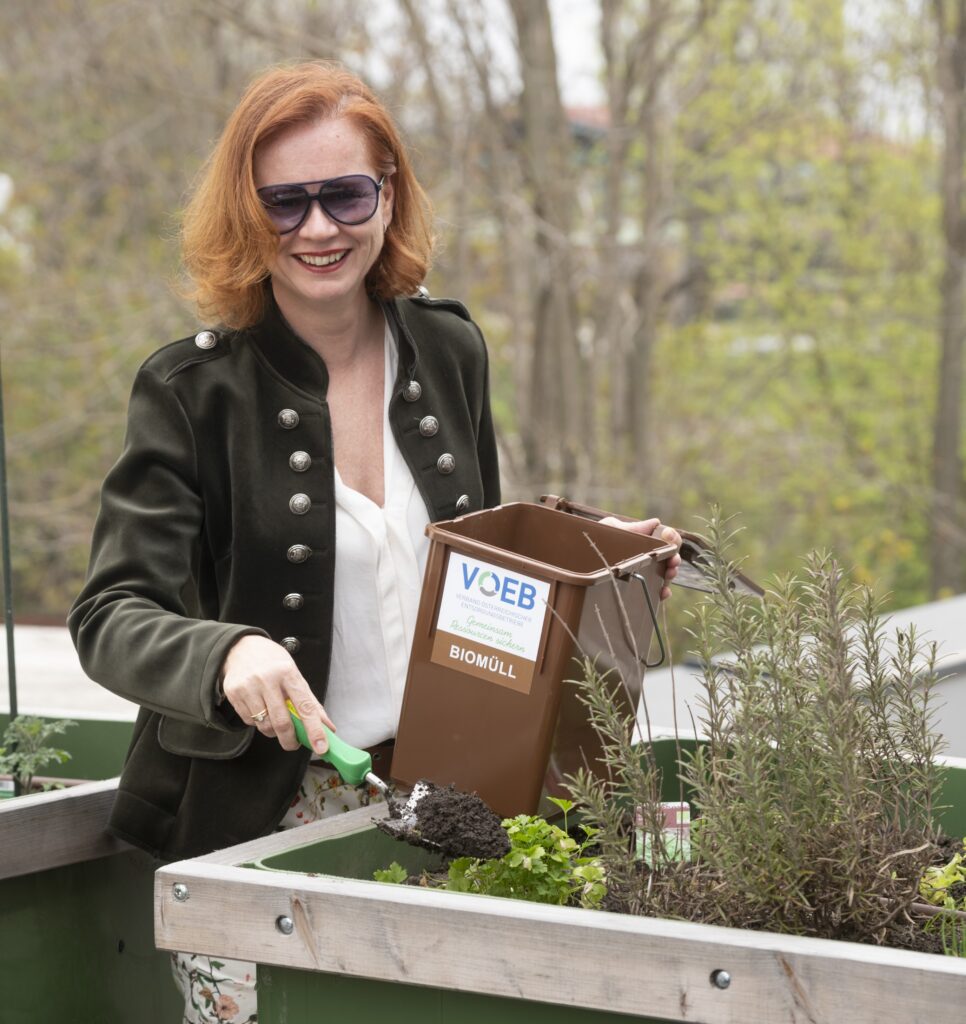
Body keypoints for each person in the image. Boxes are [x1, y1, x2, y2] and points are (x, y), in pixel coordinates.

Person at [68, 60, 681, 1023]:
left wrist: (586, 553)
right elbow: (108, 617)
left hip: (447, 803)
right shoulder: (190, 393)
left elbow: (469, 550)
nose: (319, 229)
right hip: (259, 826)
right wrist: (223, 650)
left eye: (346, 193)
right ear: (246, 211)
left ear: (387, 197)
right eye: (285, 202)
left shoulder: (448, 348)